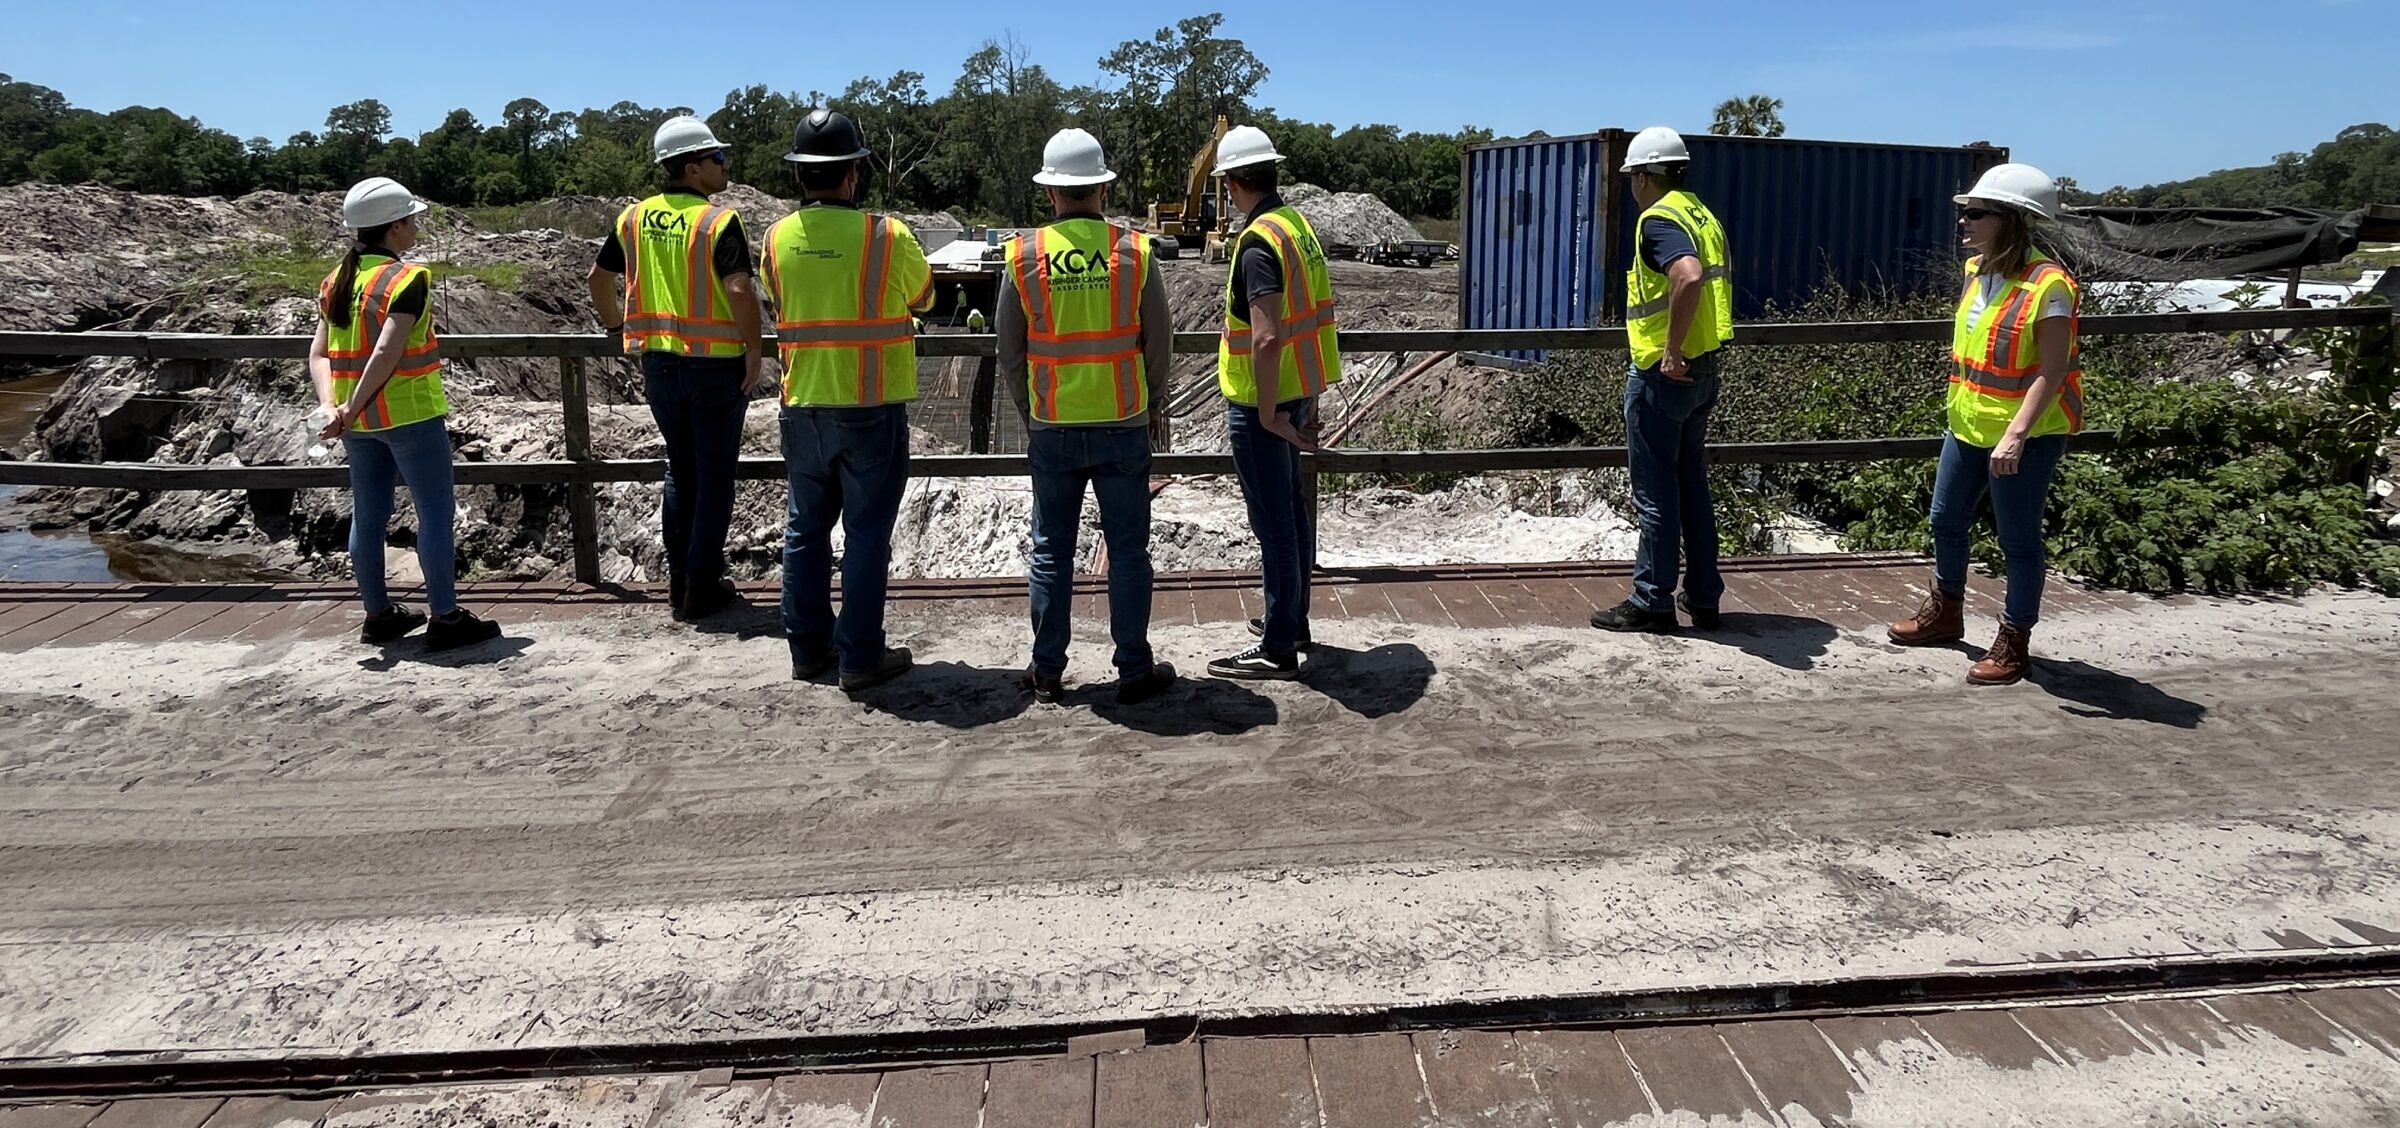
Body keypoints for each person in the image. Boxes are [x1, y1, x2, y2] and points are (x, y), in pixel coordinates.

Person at [998, 128, 1178, 706]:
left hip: (1053, 425)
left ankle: (1047, 670)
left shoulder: (1023, 256)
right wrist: (1153, 403)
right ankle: (1134, 670)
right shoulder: (1135, 253)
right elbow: (1159, 341)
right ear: (1102, 188)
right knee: (1128, 552)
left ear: (1050, 192)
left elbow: (1010, 351)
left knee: (1051, 551)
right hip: (1123, 422)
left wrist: (1031, 410)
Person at [1888, 164, 2085, 686]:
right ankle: (1946, 612)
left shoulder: (2050, 285)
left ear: (2011, 219)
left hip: (2025, 435)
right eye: (1965, 212)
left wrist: (2016, 435)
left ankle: (2015, 640)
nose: (1964, 221)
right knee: (1945, 520)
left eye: (1976, 213)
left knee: (2018, 541)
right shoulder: (1976, 270)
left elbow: (2052, 370)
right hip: (1968, 423)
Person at [759, 110, 932, 692]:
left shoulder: (774, 239)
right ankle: (859, 657)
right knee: (866, 535)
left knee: (805, 532)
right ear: (854, 172)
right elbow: (924, 298)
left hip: (802, 405)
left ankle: (808, 651)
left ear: (799, 174)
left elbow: (778, 299)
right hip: (870, 407)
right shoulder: (887, 236)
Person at [308, 177, 502, 651]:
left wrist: (333, 406)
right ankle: (446, 617)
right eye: (411, 220)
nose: (416, 227)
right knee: (434, 511)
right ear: (394, 225)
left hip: (357, 424)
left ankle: (378, 615)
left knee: (368, 514)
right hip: (409, 415)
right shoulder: (406, 278)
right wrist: (350, 406)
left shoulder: (337, 279)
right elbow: (387, 352)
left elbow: (319, 354)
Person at [586, 115, 767, 622]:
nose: (724, 165)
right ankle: (702, 584)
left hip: (659, 366)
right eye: (717, 157)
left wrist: (616, 326)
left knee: (680, 471)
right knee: (714, 477)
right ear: (692, 168)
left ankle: (680, 581)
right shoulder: (718, 222)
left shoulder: (632, 218)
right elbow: (738, 290)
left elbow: (598, 279)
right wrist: (755, 350)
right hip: (715, 367)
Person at [1207, 125, 1343, 680]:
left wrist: (1266, 414)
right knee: (1290, 513)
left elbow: (1264, 337)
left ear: (1232, 183)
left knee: (1275, 525)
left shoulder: (1258, 241)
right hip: (1297, 389)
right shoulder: (1296, 226)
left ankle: (1278, 646)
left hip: (1266, 405)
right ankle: (1291, 621)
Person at [1590, 126, 1735, 634]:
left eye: (1633, 175)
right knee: (1692, 487)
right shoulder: (1701, 214)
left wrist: (1670, 352)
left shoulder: (1658, 220)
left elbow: (1688, 275)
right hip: (1704, 367)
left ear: (1644, 176)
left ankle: (1652, 600)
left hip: (1664, 374)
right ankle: (1704, 598)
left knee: (1656, 493)